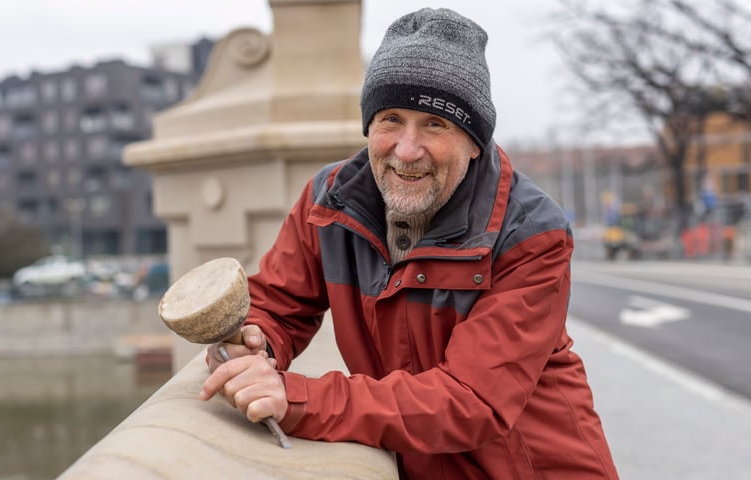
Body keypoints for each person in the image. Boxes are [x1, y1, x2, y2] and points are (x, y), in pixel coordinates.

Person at [199, 7, 619, 479]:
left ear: (474, 141)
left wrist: (297, 397)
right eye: (391, 119)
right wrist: (258, 344)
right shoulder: (328, 202)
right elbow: (278, 302)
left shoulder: (531, 233)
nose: (406, 149)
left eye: (435, 124)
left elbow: (471, 400)